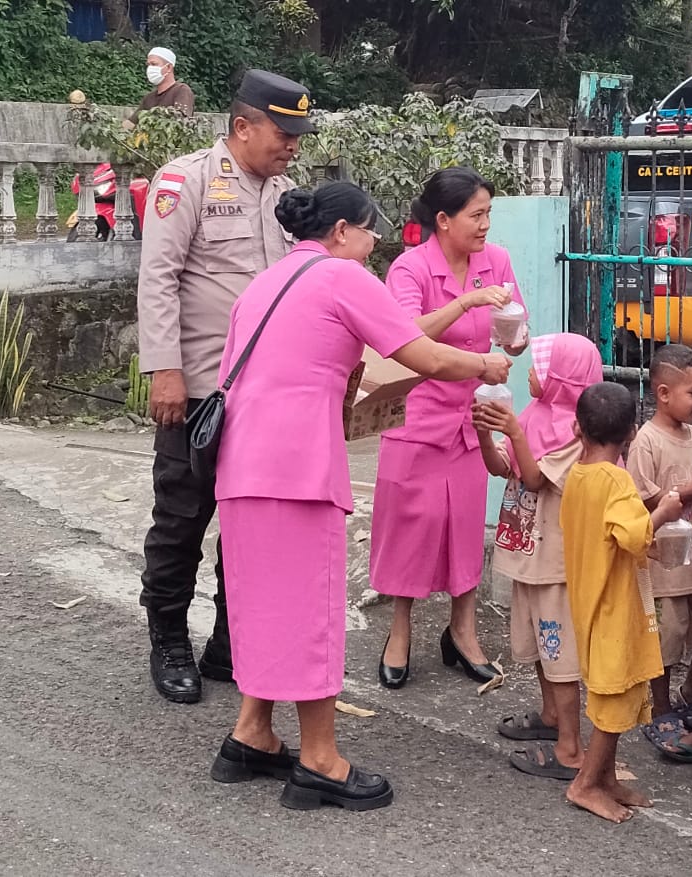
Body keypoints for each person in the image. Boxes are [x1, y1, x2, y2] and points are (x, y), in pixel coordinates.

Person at [208, 182, 512, 812]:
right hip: (298, 472)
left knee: (263, 603)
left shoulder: (264, 285)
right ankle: (320, 759)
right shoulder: (342, 276)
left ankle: (252, 732)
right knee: (313, 610)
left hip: (241, 468)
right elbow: (422, 354)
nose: (376, 246)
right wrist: (483, 366)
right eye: (371, 232)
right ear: (342, 231)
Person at [136, 69, 316, 706]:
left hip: (265, 396)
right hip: (199, 388)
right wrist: (165, 370)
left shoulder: (286, 194)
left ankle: (226, 643)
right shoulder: (184, 181)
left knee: (248, 523)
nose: (292, 144)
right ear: (243, 126)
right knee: (183, 516)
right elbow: (158, 279)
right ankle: (168, 639)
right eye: (282, 131)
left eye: (298, 134)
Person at [371, 167, 529, 688]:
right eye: (476, 214)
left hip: (474, 415)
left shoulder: (497, 260)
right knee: (410, 527)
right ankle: (399, 630)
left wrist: (513, 337)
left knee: (463, 526)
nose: (485, 225)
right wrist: (464, 302)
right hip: (417, 415)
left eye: (489, 214)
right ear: (443, 219)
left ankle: (463, 631)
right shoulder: (410, 268)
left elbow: (516, 331)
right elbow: (400, 335)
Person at [474, 333, 602, 781]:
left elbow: (532, 479)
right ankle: (551, 718)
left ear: (563, 379)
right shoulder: (534, 415)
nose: (529, 374)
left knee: (559, 653)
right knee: (539, 648)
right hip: (530, 557)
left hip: (555, 565)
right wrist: (486, 436)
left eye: (538, 368)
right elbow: (503, 469)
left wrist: (511, 431)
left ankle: (570, 747)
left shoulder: (576, 432)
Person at [559, 381, 681, 823]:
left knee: (615, 692)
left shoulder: (579, 473)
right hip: (614, 606)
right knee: (611, 705)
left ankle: (605, 777)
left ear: (578, 429)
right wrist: (665, 512)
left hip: (589, 599)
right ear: (631, 433)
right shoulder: (616, 480)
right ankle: (586, 783)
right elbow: (634, 536)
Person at [627, 344, 692, 763]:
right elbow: (642, 502)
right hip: (664, 566)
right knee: (665, 640)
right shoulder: (646, 442)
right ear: (663, 393)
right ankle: (660, 705)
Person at [126, 47, 195, 128]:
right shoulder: (149, 98)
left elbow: (181, 123)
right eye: (148, 65)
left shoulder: (181, 90)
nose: (149, 68)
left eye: (154, 64)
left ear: (168, 67)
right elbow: (131, 123)